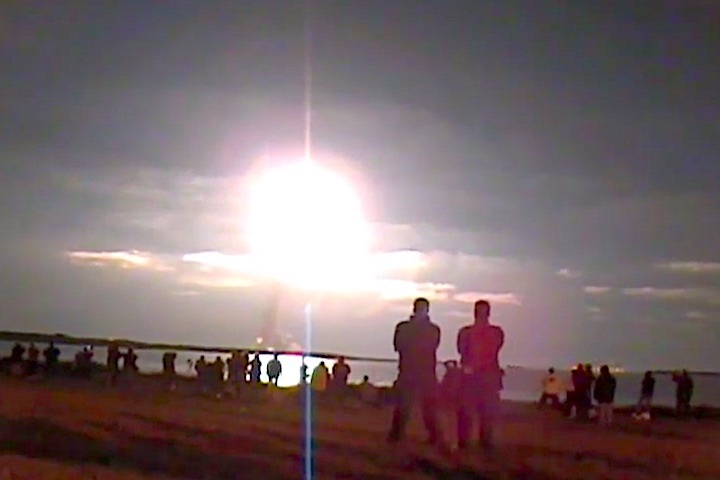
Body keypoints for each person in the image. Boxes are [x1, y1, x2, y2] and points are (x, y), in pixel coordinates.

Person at [386, 297, 442, 447]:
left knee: (421, 406)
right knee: (411, 406)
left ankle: (398, 435)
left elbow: (399, 346)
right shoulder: (431, 329)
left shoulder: (405, 327)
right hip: (418, 371)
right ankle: (397, 435)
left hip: (416, 370)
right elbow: (400, 346)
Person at [456, 299, 505, 451]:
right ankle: (483, 443)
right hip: (485, 376)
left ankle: (467, 443)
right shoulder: (496, 332)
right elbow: (495, 349)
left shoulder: (466, 332)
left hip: (474, 375)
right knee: (484, 412)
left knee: (470, 411)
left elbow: (462, 350)